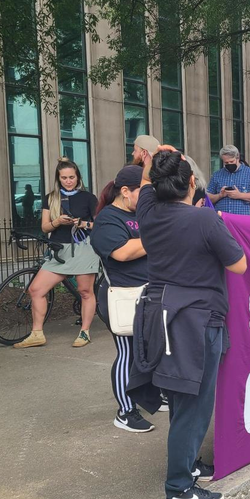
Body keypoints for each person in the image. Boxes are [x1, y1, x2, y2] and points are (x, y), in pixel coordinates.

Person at [131, 148, 248, 499]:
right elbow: (240, 265)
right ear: (193, 183)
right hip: (196, 321)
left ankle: (189, 464)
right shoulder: (205, 222)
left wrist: (157, 160)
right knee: (192, 406)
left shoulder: (148, 213)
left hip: (159, 315)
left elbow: (147, 183)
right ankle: (179, 488)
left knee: (182, 401)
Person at [92, 165, 155, 433]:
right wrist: (159, 234)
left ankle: (151, 397)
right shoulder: (108, 219)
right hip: (122, 296)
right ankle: (125, 411)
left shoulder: (143, 215)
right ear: (125, 191)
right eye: (145, 191)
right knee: (127, 352)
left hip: (148, 292)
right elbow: (122, 253)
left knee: (152, 349)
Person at [14, 158, 100, 349]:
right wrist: (58, 222)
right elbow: (45, 227)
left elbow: (100, 225)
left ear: (77, 177)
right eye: (64, 178)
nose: (68, 181)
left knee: (85, 291)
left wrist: (82, 224)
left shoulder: (88, 198)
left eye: (71, 177)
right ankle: (37, 334)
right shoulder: (51, 197)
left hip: (83, 247)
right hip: (58, 249)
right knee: (36, 290)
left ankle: (85, 332)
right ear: (58, 178)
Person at [206, 144, 250, 215]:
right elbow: (207, 197)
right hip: (221, 219)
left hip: (243, 219)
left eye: (231, 161)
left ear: (238, 158)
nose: (229, 164)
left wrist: (240, 195)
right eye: (226, 163)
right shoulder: (217, 175)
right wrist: (219, 195)